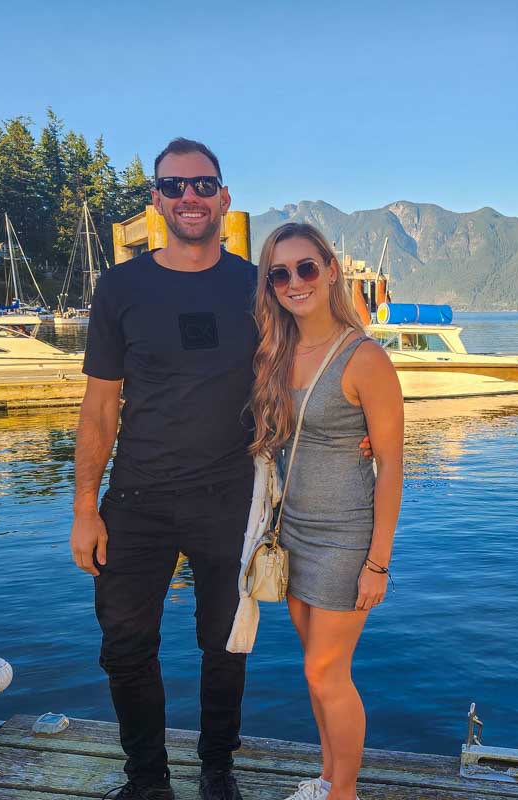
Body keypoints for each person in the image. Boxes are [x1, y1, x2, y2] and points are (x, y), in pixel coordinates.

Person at [69, 138, 256, 800]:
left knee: (225, 644)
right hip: (138, 497)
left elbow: (304, 372)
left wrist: (364, 431)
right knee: (124, 643)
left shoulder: (255, 285)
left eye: (203, 186)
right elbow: (99, 407)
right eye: (174, 186)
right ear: (156, 200)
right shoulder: (120, 287)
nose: (190, 198)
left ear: (224, 198)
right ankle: (147, 779)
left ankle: (218, 767)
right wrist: (86, 507)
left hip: (230, 496)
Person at [250, 222, 404, 800]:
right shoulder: (275, 350)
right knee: (315, 674)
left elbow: (390, 465)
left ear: (331, 270)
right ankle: (326, 779)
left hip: (345, 539)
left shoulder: (364, 358)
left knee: (326, 672)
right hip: (290, 533)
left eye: (306, 268)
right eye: (280, 273)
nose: (295, 282)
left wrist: (378, 563)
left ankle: (345, 794)